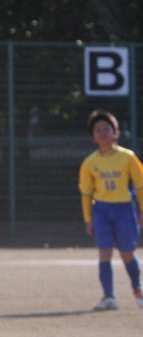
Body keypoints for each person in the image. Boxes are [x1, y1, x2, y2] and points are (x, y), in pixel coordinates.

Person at [78, 109, 143, 311]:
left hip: (124, 209)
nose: (103, 132)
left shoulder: (128, 157)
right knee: (104, 252)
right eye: (98, 129)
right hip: (102, 211)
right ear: (93, 137)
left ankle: (138, 289)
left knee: (127, 254)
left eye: (107, 128)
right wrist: (88, 219)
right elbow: (86, 193)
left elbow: (140, 186)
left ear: (116, 133)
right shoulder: (89, 162)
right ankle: (109, 297)